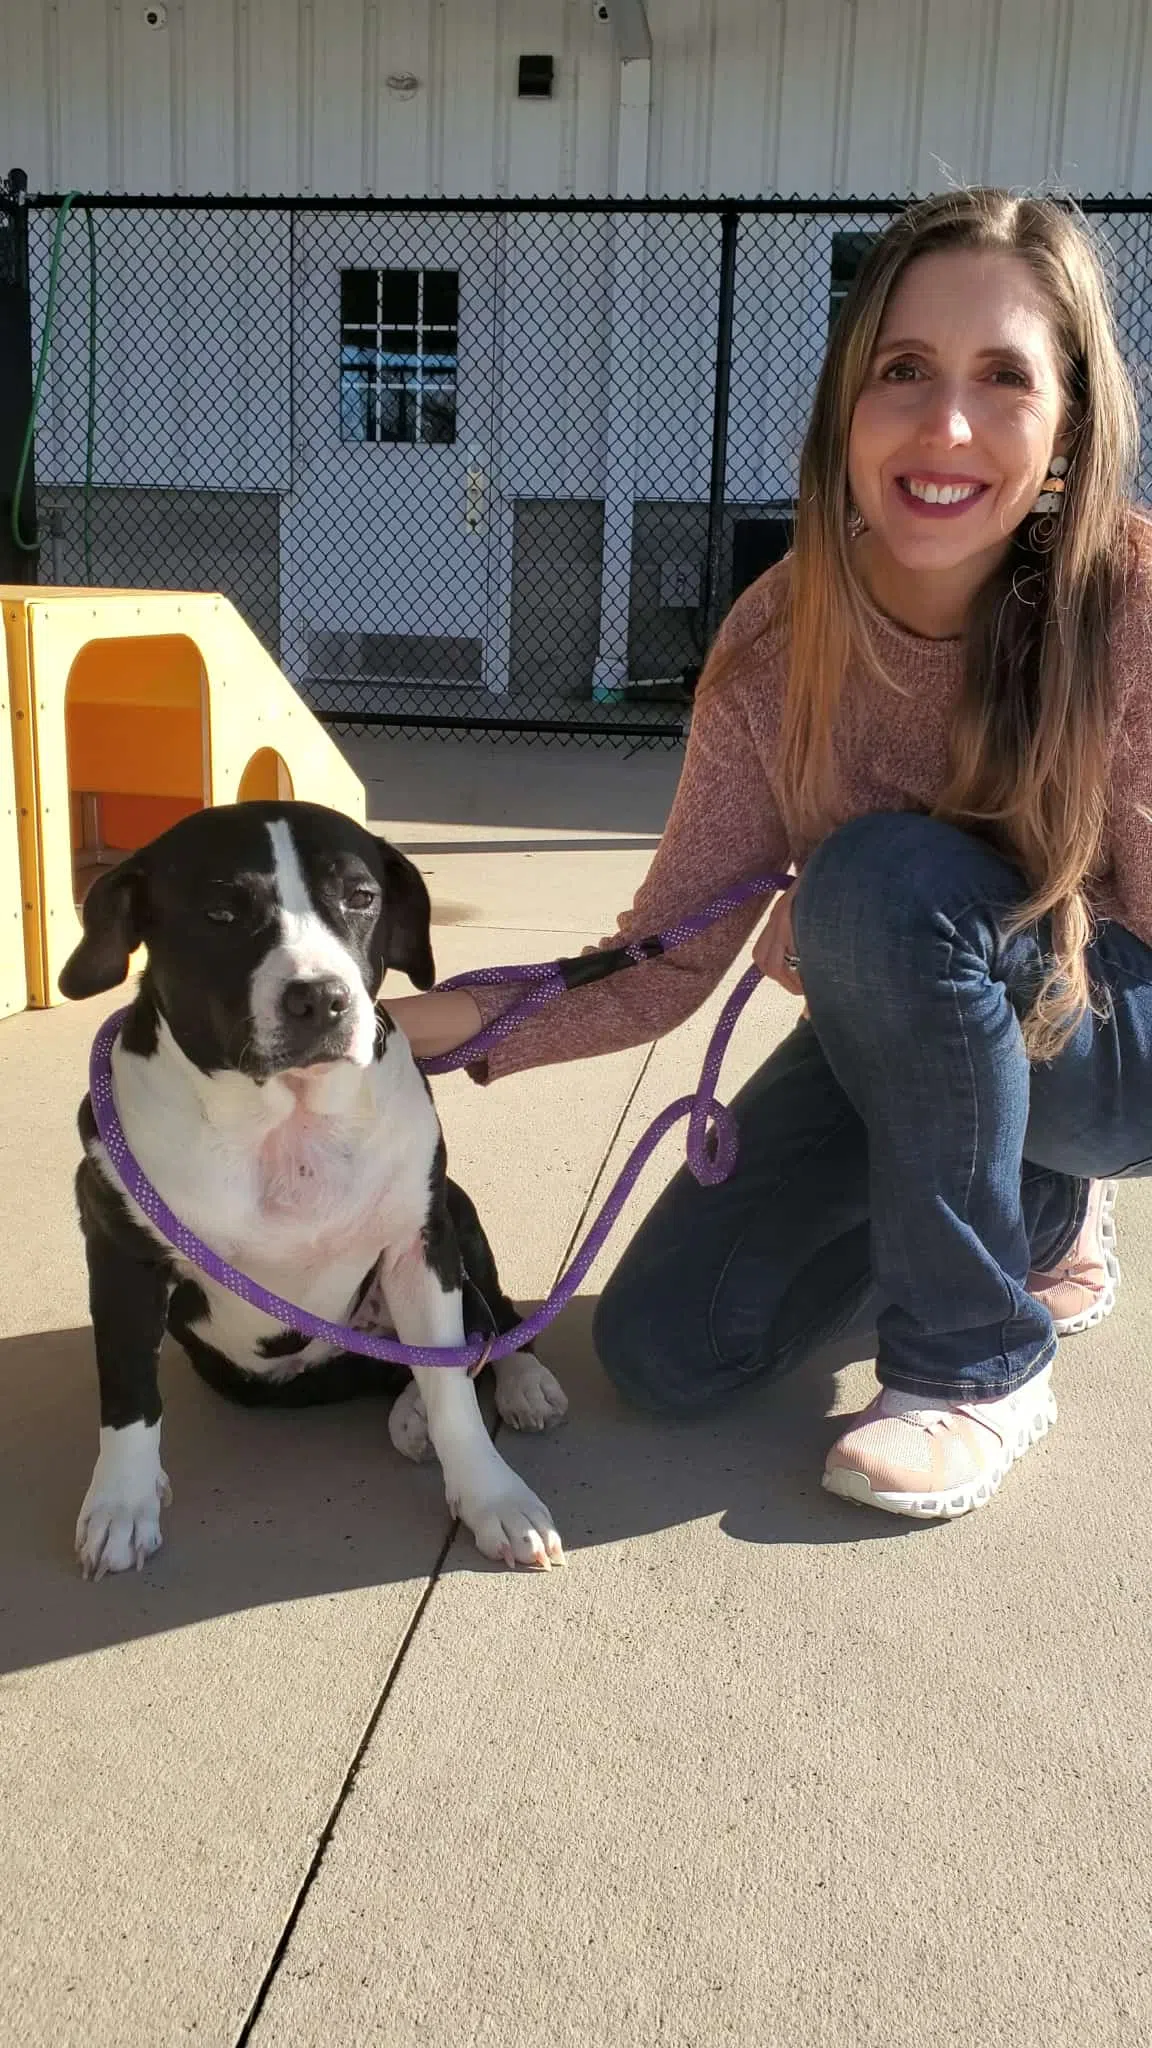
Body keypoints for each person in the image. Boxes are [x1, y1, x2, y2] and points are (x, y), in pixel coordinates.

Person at [388, 186, 1152, 1523]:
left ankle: (974, 1362)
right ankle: (1025, 1211)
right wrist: (410, 1031)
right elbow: (663, 956)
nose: (945, 424)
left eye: (1003, 379)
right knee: (666, 1351)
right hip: (921, 1024)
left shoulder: (1131, 608)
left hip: (1117, 1051)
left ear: (1071, 428)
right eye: (902, 370)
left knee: (873, 886)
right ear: (846, 406)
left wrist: (903, 931)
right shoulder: (776, 640)